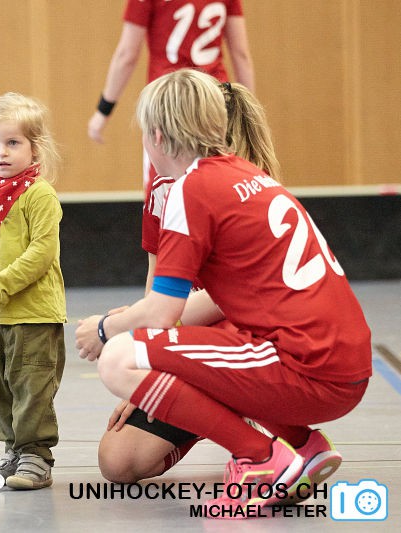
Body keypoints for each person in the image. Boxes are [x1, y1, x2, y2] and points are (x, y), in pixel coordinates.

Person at [75, 69, 371, 518]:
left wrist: (103, 328)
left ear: (156, 136)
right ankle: (303, 445)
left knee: (119, 355)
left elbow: (159, 313)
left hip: (303, 364)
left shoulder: (193, 189)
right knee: (136, 369)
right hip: (337, 362)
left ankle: (262, 459)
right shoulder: (245, 175)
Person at [99, 80, 282, 485]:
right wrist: (145, 376)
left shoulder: (251, 188)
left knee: (122, 326)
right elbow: (157, 287)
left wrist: (123, 332)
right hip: (189, 337)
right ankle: (210, 412)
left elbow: (227, 298)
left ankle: (264, 443)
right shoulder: (163, 190)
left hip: (246, 339)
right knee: (118, 462)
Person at [0, 92, 66, 490]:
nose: (2, 152)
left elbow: (41, 252)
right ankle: (12, 448)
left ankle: (35, 454)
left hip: (33, 313)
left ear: (35, 147)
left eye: (13, 143)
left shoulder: (39, 195)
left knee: (32, 386)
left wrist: (1, 285)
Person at [87, 0, 255, 187]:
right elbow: (241, 54)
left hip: (168, 102)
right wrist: (247, 113)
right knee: (218, 180)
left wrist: (103, 110)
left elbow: (127, 55)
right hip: (213, 99)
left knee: (163, 189)